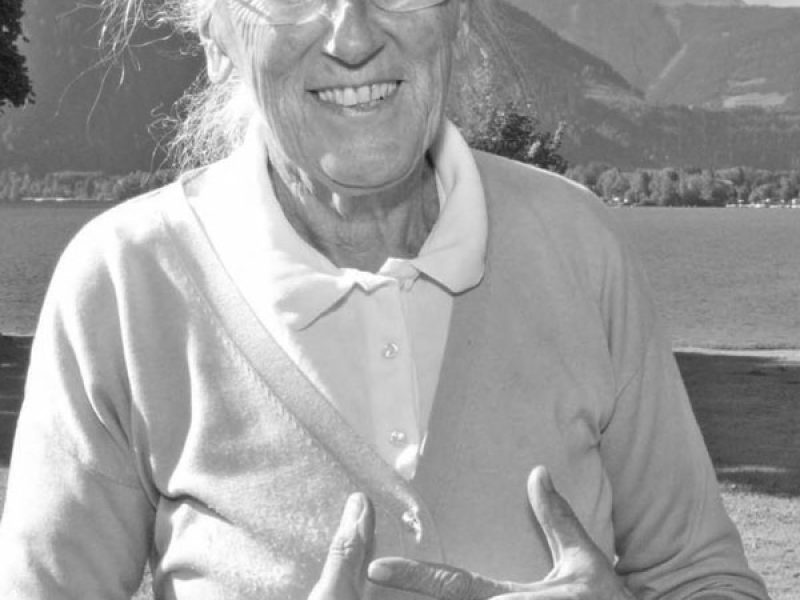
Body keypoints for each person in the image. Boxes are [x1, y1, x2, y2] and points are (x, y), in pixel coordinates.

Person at [0, 0, 771, 598]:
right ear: (217, 33)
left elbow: (706, 578)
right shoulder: (126, 281)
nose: (352, 35)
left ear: (455, 15)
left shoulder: (576, 243)